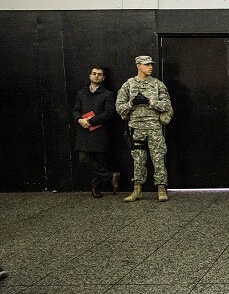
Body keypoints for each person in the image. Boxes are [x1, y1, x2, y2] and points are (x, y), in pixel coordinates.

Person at [116, 56, 173, 202]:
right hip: (136, 127)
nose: (150, 67)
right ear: (138, 66)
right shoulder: (128, 85)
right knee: (138, 159)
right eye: (146, 64)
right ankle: (137, 189)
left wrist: (150, 102)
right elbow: (119, 107)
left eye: (151, 64)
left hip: (154, 126)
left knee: (158, 157)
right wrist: (131, 103)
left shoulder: (158, 85)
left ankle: (161, 188)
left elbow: (166, 105)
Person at [72, 66, 120, 198]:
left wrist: (92, 121)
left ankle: (95, 189)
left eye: (99, 74)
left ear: (103, 78)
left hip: (99, 131)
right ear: (90, 76)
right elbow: (76, 109)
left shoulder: (108, 94)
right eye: (94, 74)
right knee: (84, 158)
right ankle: (111, 175)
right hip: (84, 130)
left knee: (99, 160)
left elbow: (110, 113)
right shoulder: (81, 93)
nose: (96, 76)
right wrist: (79, 119)